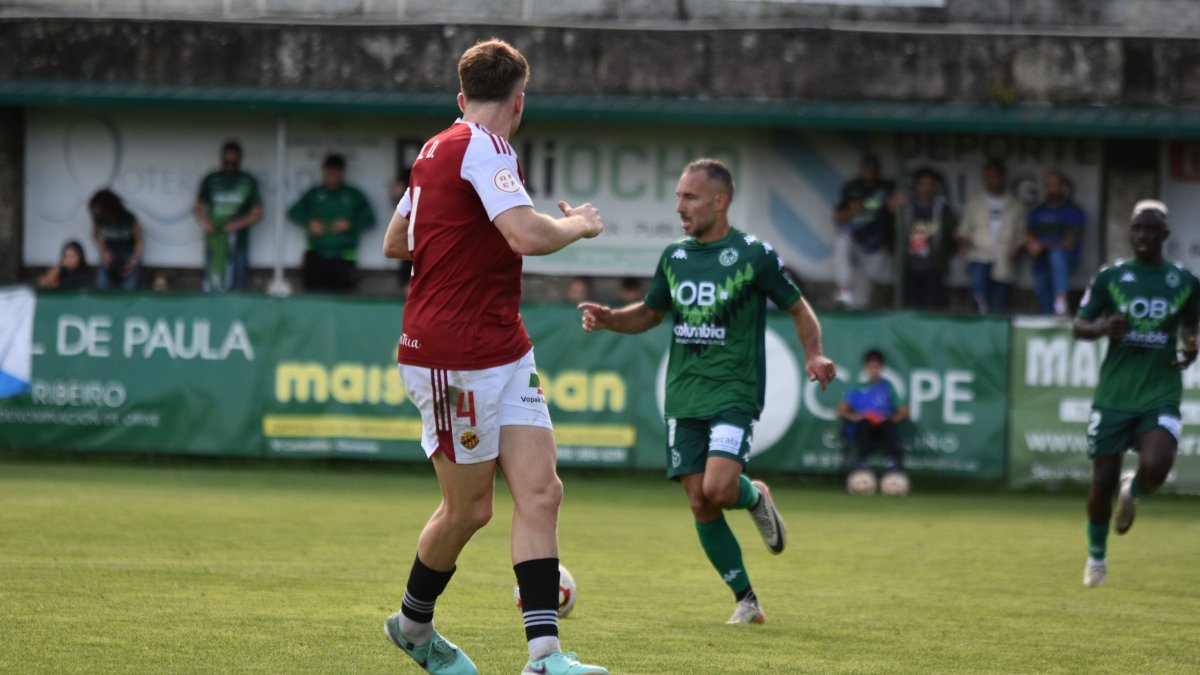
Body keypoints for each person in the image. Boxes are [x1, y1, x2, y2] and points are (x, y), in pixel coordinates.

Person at [380, 38, 607, 675]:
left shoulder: (435, 148)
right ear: (520, 102)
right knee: (470, 510)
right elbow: (526, 234)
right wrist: (582, 224)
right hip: (453, 356)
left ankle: (545, 657)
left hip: (504, 346)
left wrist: (458, 237)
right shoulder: (487, 147)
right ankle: (412, 627)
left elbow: (397, 240)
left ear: (462, 97)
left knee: (541, 491)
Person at [578, 158, 836, 627]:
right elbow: (651, 313)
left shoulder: (754, 254)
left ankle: (753, 497)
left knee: (719, 488)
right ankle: (747, 600)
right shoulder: (674, 257)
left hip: (734, 391)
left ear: (720, 202)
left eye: (690, 197)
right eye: (678, 196)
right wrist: (611, 318)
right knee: (699, 500)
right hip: (683, 395)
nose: (680, 206)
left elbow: (799, 308)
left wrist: (815, 354)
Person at [1073, 200, 1199, 588]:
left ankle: (1134, 490)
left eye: (1150, 229)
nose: (1142, 235)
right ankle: (1097, 558)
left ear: (1165, 234)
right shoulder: (1111, 277)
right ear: (1130, 232)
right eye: (1137, 228)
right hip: (1115, 393)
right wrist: (1101, 329)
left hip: (1160, 389)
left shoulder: (1183, 280)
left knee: (1158, 465)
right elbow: (1079, 325)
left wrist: (1191, 344)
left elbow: (1191, 324)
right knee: (1102, 483)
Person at [288, 153, 376, 292]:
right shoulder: (314, 193)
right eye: (329, 171)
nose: (332, 175)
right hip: (316, 253)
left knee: (343, 296)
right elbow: (293, 212)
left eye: (336, 171)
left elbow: (370, 219)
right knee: (313, 296)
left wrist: (350, 224)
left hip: (344, 255)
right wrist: (309, 222)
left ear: (342, 172)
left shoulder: (353, 194)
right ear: (324, 171)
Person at [956, 159, 1027, 314]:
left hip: (1004, 257)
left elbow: (1022, 234)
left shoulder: (1015, 205)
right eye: (988, 176)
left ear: (1002, 177)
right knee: (978, 297)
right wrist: (963, 245)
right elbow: (963, 230)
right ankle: (979, 323)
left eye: (995, 175)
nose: (992, 180)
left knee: (998, 303)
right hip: (979, 254)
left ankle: (994, 327)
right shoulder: (974, 203)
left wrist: (1017, 248)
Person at [195, 140, 263, 292]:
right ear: (221, 159)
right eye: (227, 162)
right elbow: (197, 206)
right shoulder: (211, 179)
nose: (230, 166)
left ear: (239, 161)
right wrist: (205, 222)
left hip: (238, 242)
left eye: (234, 163)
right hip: (215, 239)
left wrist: (237, 224)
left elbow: (258, 212)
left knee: (237, 285)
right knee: (212, 280)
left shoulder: (247, 180)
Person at [832, 154, 895, 309]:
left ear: (878, 171)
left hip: (876, 243)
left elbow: (896, 209)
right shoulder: (851, 187)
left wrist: (894, 205)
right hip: (854, 238)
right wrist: (852, 210)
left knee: (862, 297)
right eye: (867, 168)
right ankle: (844, 289)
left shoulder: (886, 187)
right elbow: (837, 219)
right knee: (841, 240)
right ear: (861, 170)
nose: (870, 172)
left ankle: (855, 309)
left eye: (873, 169)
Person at [837, 349, 909, 475]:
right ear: (865, 368)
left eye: (876, 367)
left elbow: (904, 411)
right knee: (864, 423)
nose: (873, 371)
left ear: (881, 368)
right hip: (863, 428)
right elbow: (841, 410)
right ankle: (862, 463)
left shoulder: (888, 387)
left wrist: (890, 418)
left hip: (882, 428)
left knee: (888, 425)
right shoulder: (857, 388)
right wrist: (855, 417)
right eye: (871, 367)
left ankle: (892, 464)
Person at [893, 168, 957, 310]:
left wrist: (943, 256)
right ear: (916, 186)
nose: (926, 189)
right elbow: (891, 233)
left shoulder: (942, 209)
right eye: (923, 184)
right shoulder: (906, 208)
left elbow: (953, 235)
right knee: (908, 309)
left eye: (930, 185)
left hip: (933, 269)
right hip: (908, 268)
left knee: (931, 309)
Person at [1026, 170, 1086, 316]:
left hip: (1066, 260)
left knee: (1056, 255)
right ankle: (1049, 316)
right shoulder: (1037, 211)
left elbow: (1070, 242)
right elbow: (1029, 236)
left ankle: (1061, 303)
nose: (1053, 189)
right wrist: (1031, 244)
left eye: (1056, 185)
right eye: (1050, 185)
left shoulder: (1073, 210)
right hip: (1041, 261)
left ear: (1062, 186)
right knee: (1042, 289)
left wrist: (1043, 246)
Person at [90, 188, 144, 290]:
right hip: (110, 257)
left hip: (129, 256)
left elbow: (140, 240)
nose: (97, 212)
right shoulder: (98, 219)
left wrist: (134, 260)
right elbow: (95, 236)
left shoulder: (128, 218)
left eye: (100, 209)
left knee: (129, 288)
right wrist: (103, 251)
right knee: (101, 285)